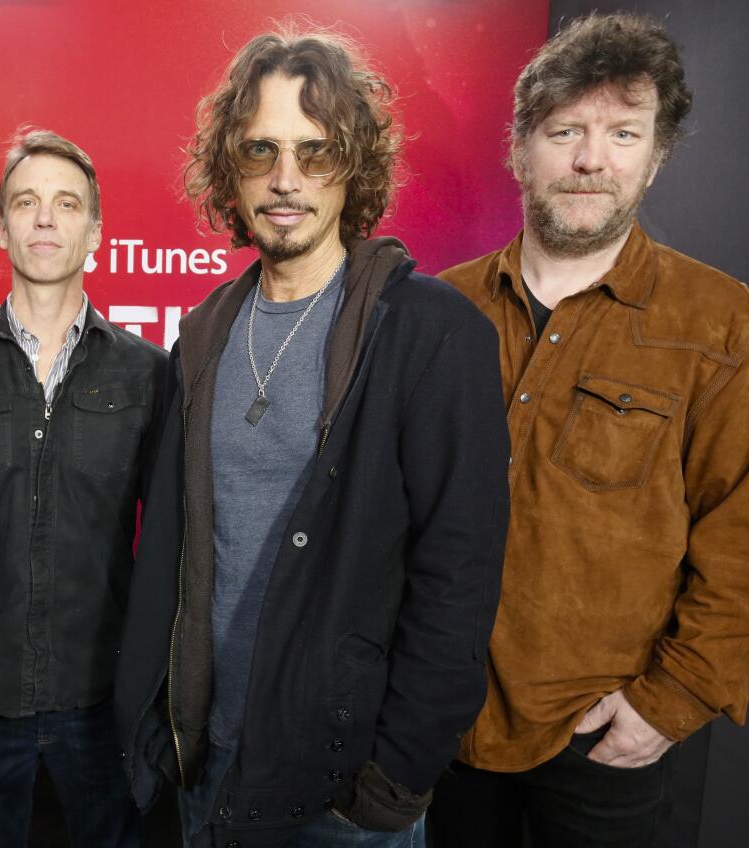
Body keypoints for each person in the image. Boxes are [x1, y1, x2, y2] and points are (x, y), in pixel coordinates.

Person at [113, 27, 510, 847]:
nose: (286, 179)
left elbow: (460, 576)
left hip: (343, 791)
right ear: (229, 168)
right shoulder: (203, 335)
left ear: (354, 165)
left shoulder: (431, 332)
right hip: (209, 770)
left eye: (316, 151)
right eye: (260, 149)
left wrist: (393, 779)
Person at [430, 13, 749, 847]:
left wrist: (671, 701)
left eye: (623, 133)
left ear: (656, 157)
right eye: (565, 131)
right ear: (520, 150)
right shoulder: (438, 309)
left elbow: (748, 535)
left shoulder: (720, 322)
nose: (591, 159)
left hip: (601, 733)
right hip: (436, 726)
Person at [0, 128, 166, 847]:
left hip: (104, 705)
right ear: (2, 229)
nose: (46, 219)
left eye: (67, 204)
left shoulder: (149, 375)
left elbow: (172, 553)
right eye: (26, 202)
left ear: (95, 231)